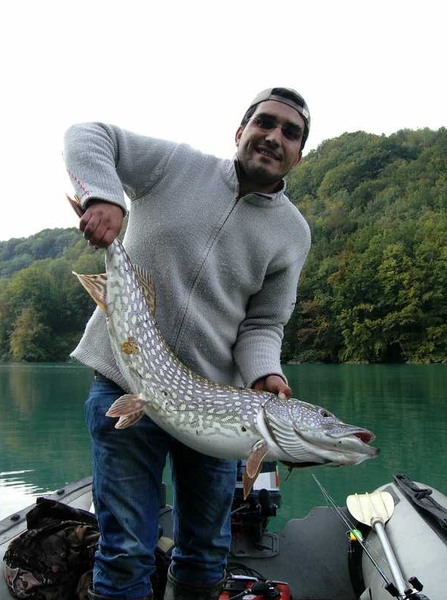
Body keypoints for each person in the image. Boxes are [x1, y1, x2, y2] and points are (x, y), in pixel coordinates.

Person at [63, 87, 311, 600]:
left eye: (291, 132)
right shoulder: (175, 165)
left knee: (206, 551)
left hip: (218, 409)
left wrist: (265, 372)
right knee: (125, 549)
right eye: (264, 123)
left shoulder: (293, 232)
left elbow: (264, 324)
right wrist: (104, 196)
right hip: (125, 382)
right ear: (240, 132)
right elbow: (88, 135)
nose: (274, 136)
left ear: (299, 155)